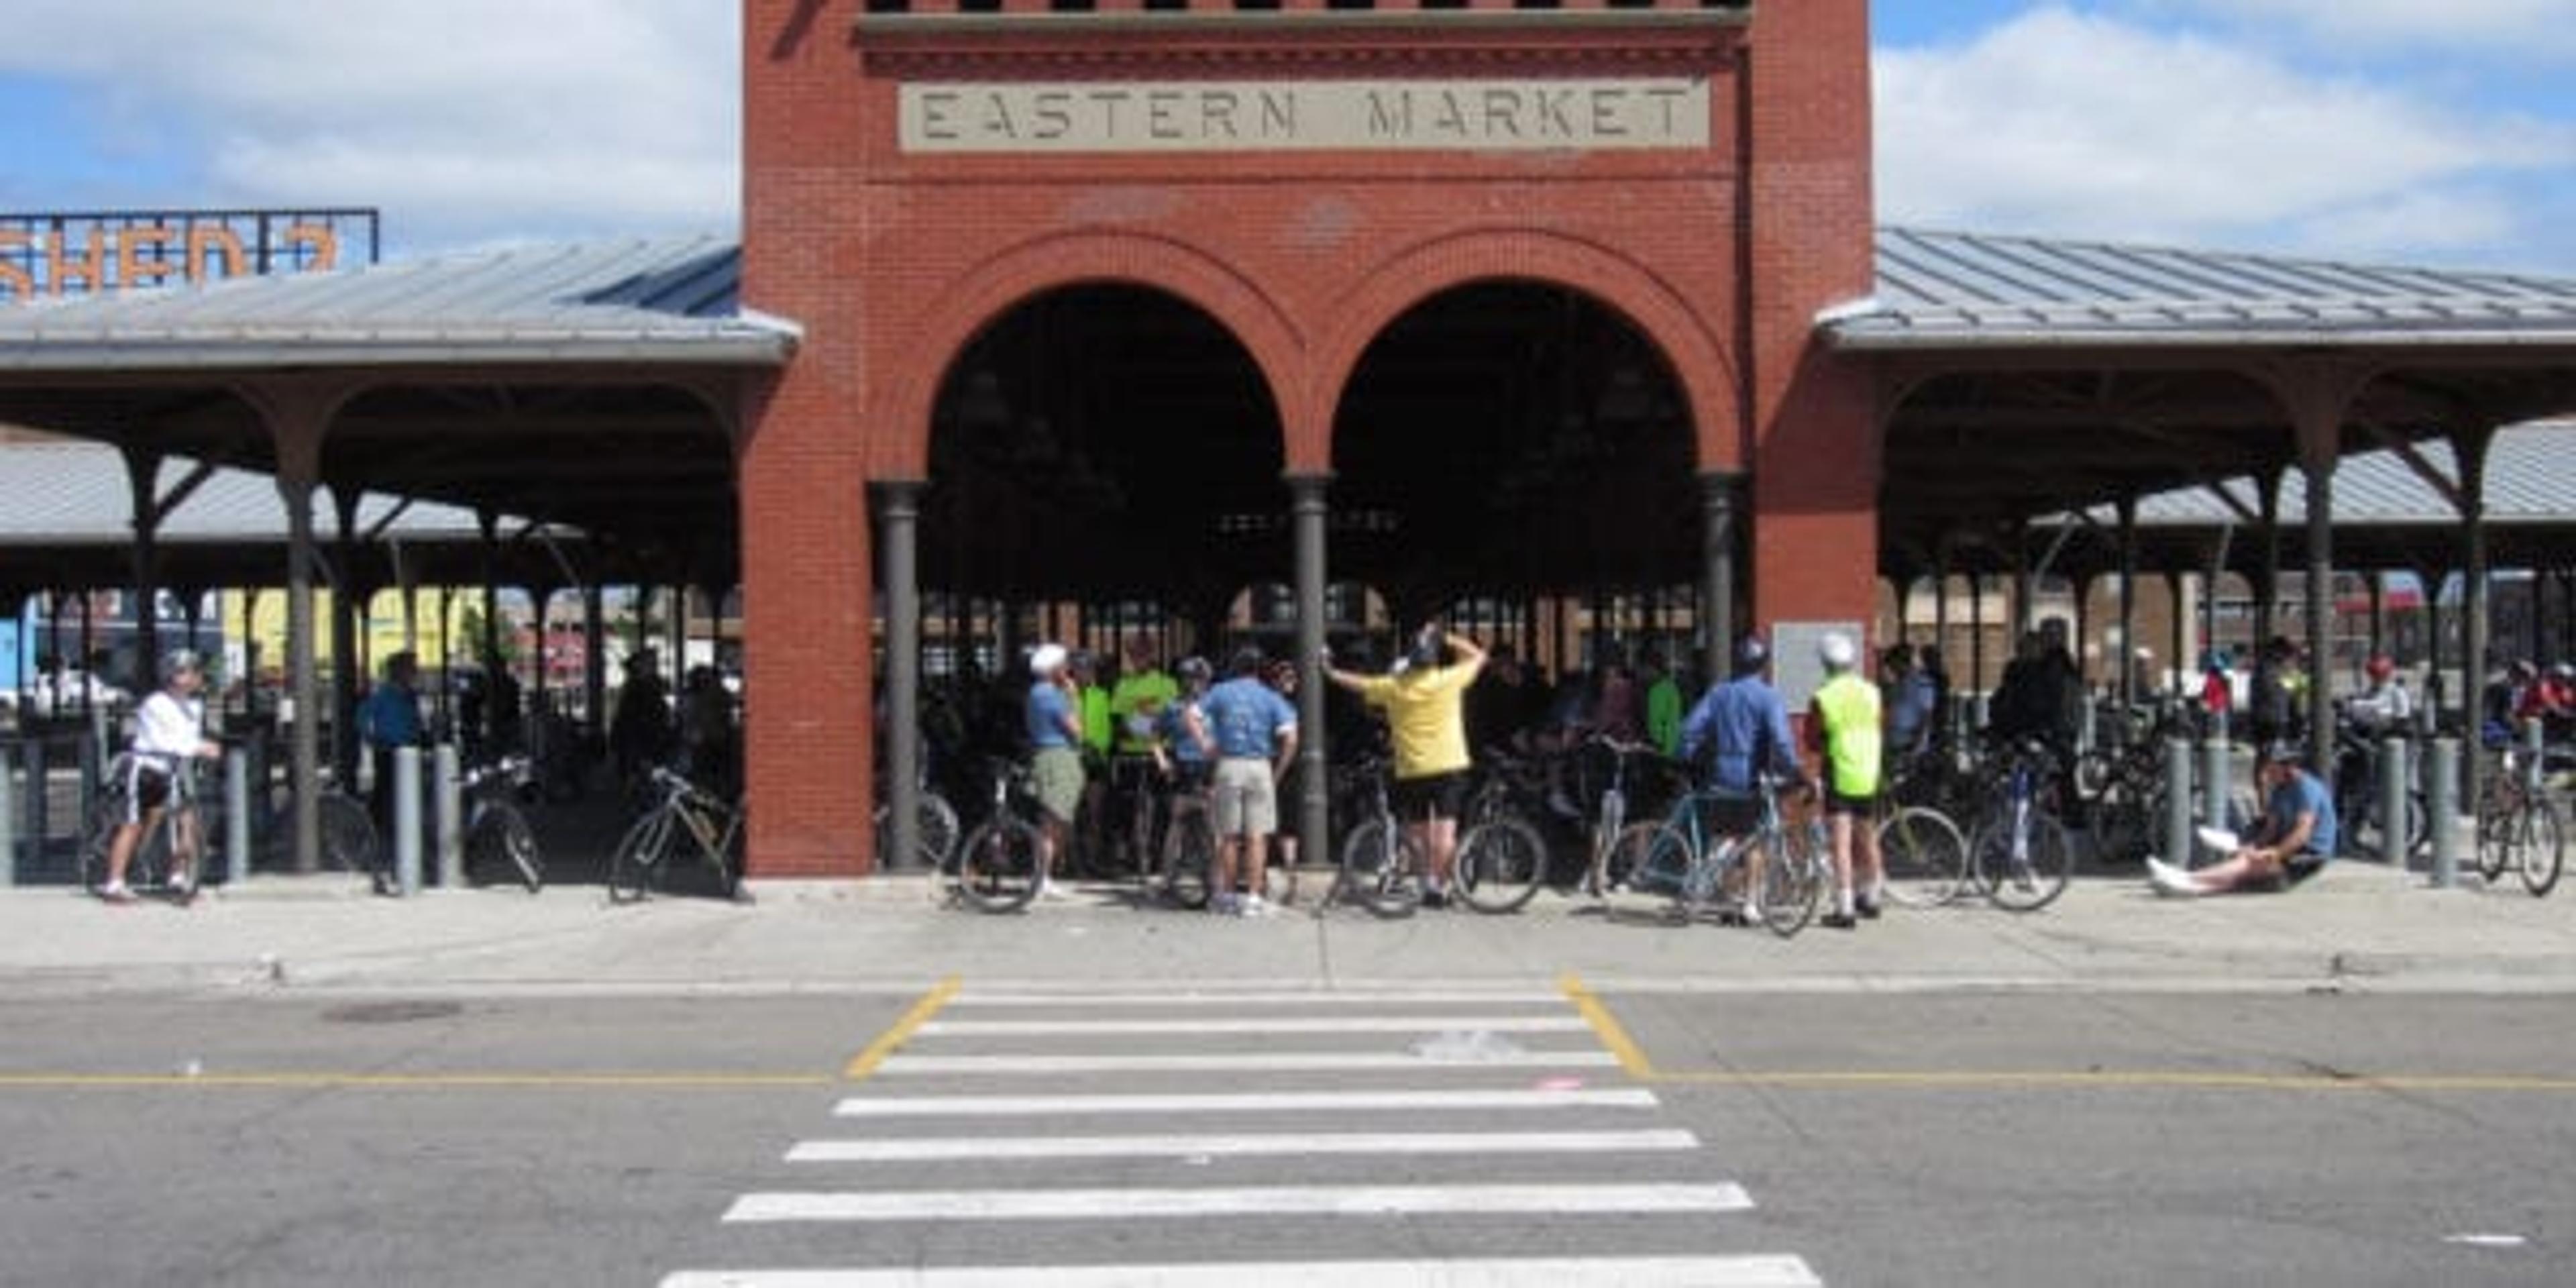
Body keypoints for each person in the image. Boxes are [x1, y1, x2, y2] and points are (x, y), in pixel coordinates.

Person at [1324, 624, 1488, 908]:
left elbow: (1361, 683)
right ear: (1433, 660)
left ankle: (1427, 884)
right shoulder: (1447, 680)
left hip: (1412, 768)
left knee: (1420, 833)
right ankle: (1442, 887)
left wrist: (1330, 671)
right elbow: (1479, 657)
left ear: (1410, 660)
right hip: (1449, 764)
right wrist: (1445, 637)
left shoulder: (1395, 687)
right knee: (1445, 833)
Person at [1674, 634, 1799, 926]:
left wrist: (1688, 756)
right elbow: (1781, 740)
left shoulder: (1719, 693)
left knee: (1724, 836)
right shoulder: (1768, 696)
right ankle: (1750, 904)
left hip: (1719, 774)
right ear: (1763, 664)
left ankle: (1729, 900)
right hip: (1750, 778)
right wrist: (1792, 769)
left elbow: (1690, 728)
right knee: (1753, 841)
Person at [95, 649, 223, 904]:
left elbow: (189, 738)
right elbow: (165, 740)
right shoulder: (156, 704)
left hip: (172, 770)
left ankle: (178, 877)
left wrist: (203, 746)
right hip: (146, 768)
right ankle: (114, 883)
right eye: (186, 672)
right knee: (132, 824)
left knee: (185, 821)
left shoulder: (193, 707)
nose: (195, 677)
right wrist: (198, 748)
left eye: (195, 672)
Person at [2147, 741, 2337, 896]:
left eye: (2272, 769)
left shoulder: (2307, 788)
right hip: (2289, 850)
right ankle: (2193, 887)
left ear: (2289, 767)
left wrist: (2276, 853)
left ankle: (2188, 878)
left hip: (2308, 856)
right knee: (2245, 866)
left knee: (2251, 864)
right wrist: (2255, 846)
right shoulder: (2280, 790)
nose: (2267, 774)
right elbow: (2271, 828)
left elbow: (2302, 832)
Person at [1200, 647, 1299, 916]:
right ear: (1259, 671)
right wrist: (1278, 771)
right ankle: (1254, 898)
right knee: (1257, 836)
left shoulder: (1221, 691)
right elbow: (1291, 739)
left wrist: (1205, 744)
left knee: (1229, 835)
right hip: (1259, 766)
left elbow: (1192, 714)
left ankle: (1229, 895)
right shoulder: (1270, 697)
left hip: (1229, 764)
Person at [1807, 632, 1884, 928]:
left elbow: (1812, 739)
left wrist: (1827, 741)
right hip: (1869, 771)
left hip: (1840, 771)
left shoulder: (1824, 696)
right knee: (1868, 836)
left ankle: (1845, 907)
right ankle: (1873, 897)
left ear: (1825, 663)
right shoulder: (1872, 692)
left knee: (1841, 841)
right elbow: (1879, 725)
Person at [1023, 643, 1086, 896]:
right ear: (1054, 669)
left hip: (1050, 756)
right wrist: (1073, 697)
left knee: (1052, 821)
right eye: (1064, 665)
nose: (1068, 669)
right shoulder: (1051, 695)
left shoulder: (1038, 692)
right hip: (1056, 758)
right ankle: (1042, 877)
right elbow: (1077, 731)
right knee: (1053, 822)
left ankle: (1043, 876)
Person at [357, 650, 424, 832]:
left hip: (408, 748)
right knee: (385, 789)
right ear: (399, 671)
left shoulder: (409, 696)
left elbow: (414, 720)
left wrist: (418, 736)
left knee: (403, 789)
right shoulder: (384, 694)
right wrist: (370, 738)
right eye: (411, 668)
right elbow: (362, 715)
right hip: (388, 748)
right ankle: (375, 824)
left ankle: (398, 825)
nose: (415, 672)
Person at [609, 649, 672, 788]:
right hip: (641, 742)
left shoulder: (644, 685)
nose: (654, 666)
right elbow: (630, 720)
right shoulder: (637, 688)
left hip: (646, 741)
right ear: (639, 666)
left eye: (654, 663)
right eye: (650, 663)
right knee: (641, 779)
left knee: (646, 779)